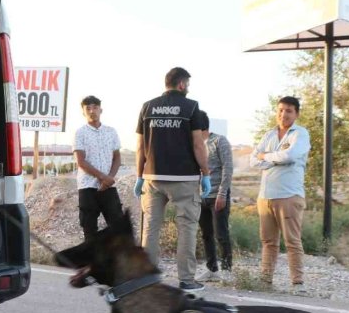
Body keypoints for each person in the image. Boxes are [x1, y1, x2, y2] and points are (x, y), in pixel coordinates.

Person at [134, 67, 211, 293]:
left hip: (153, 177)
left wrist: (139, 176)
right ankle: (186, 280)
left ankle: (146, 279)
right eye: (188, 84)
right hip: (184, 178)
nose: (188, 88)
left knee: (150, 227)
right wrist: (206, 173)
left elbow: (140, 146)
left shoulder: (147, 107)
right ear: (181, 84)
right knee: (187, 228)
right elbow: (198, 144)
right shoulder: (192, 107)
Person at [249, 96, 311, 292]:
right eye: (281, 110)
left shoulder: (300, 134)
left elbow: (290, 155)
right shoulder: (269, 135)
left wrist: (266, 157)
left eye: (289, 111)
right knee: (268, 241)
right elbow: (253, 160)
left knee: (292, 241)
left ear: (296, 114)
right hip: (266, 196)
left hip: (288, 195)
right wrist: (276, 160)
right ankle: (265, 280)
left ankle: (297, 283)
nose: (284, 114)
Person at [73, 95, 124, 240]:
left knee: (118, 228)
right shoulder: (80, 133)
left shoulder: (111, 132)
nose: (92, 111)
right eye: (88, 108)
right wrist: (103, 177)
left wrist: (109, 179)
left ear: (101, 110)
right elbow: (81, 161)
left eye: (95, 107)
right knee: (89, 230)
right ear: (83, 112)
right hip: (87, 187)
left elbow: (117, 158)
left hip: (108, 187)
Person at [195, 113, 234, 281]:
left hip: (218, 195)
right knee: (206, 234)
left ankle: (227, 270)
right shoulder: (195, 145)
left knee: (221, 234)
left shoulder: (219, 141)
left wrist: (222, 194)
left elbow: (228, 167)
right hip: (200, 196)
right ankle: (211, 269)